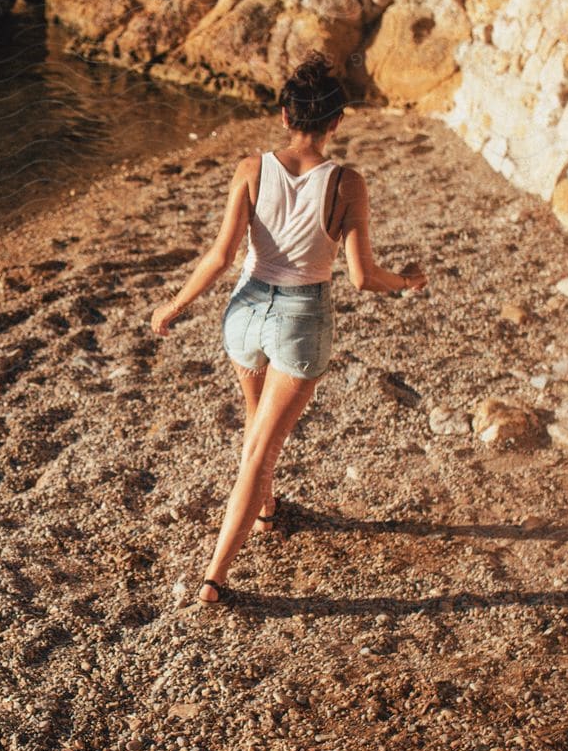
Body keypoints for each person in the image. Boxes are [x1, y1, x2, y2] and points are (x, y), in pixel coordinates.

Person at [148, 54, 427, 605]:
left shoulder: (252, 169)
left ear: (284, 115)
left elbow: (222, 255)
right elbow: (364, 277)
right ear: (336, 122)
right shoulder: (347, 183)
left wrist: (175, 305)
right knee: (259, 452)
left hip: (245, 314)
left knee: (257, 425)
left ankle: (268, 509)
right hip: (299, 319)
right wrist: (407, 281)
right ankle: (215, 578)